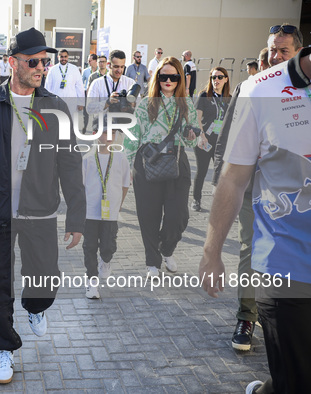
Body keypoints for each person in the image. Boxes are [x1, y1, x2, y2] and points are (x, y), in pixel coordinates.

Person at [0, 27, 85, 385]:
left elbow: (71, 164)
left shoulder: (55, 107)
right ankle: (4, 348)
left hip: (40, 211)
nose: (42, 67)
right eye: (34, 61)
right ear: (13, 63)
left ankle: (36, 307)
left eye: (45, 61)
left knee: (45, 278)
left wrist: (76, 215)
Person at [199, 29, 310, 394]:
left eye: (283, 49)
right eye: (272, 49)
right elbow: (232, 178)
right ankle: (246, 319)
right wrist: (211, 252)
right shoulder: (260, 89)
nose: (276, 55)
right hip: (287, 265)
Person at [123, 57, 198, 277]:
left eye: (173, 76)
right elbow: (132, 137)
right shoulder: (146, 104)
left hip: (177, 162)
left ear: (179, 79)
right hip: (148, 162)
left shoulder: (186, 104)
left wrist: (192, 136)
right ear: (157, 78)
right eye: (163, 76)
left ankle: (167, 249)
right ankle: (152, 263)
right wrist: (127, 167)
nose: (168, 80)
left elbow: (191, 141)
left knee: (179, 216)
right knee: (148, 215)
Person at [82, 130, 130, 299]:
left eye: (112, 132)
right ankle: (92, 282)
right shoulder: (87, 158)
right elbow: (81, 186)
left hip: (110, 211)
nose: (109, 136)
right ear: (95, 133)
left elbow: (125, 183)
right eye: (104, 132)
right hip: (90, 212)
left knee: (108, 245)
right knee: (89, 247)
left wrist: (119, 204)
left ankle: (106, 260)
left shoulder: (120, 157)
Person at [191, 67, 231, 212]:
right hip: (204, 140)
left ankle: (220, 203)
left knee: (221, 173)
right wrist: (202, 137)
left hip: (220, 143)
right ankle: (196, 199)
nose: (216, 80)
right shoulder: (204, 96)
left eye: (220, 77)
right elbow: (197, 118)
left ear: (226, 79)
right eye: (214, 77)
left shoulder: (229, 99)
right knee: (201, 171)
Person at [86, 50, 137, 131]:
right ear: (109, 65)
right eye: (116, 66)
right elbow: (89, 109)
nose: (119, 70)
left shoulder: (131, 83)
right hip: (103, 130)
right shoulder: (97, 83)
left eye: (122, 67)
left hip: (124, 130)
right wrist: (107, 103)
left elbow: (139, 109)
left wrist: (132, 104)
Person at [44, 49, 85, 116]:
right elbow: (48, 87)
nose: (63, 59)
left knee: (71, 123)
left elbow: (79, 86)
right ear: (58, 57)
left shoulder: (74, 69)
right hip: (56, 102)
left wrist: (81, 102)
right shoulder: (53, 70)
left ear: (68, 57)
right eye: (62, 57)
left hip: (71, 102)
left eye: (65, 57)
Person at [81, 54, 99, 133]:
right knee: (86, 112)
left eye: (90, 60)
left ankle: (95, 127)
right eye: (88, 60)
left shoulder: (100, 71)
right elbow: (81, 83)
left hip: (97, 94)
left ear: (95, 61)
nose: (88, 62)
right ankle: (85, 126)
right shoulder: (86, 71)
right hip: (87, 94)